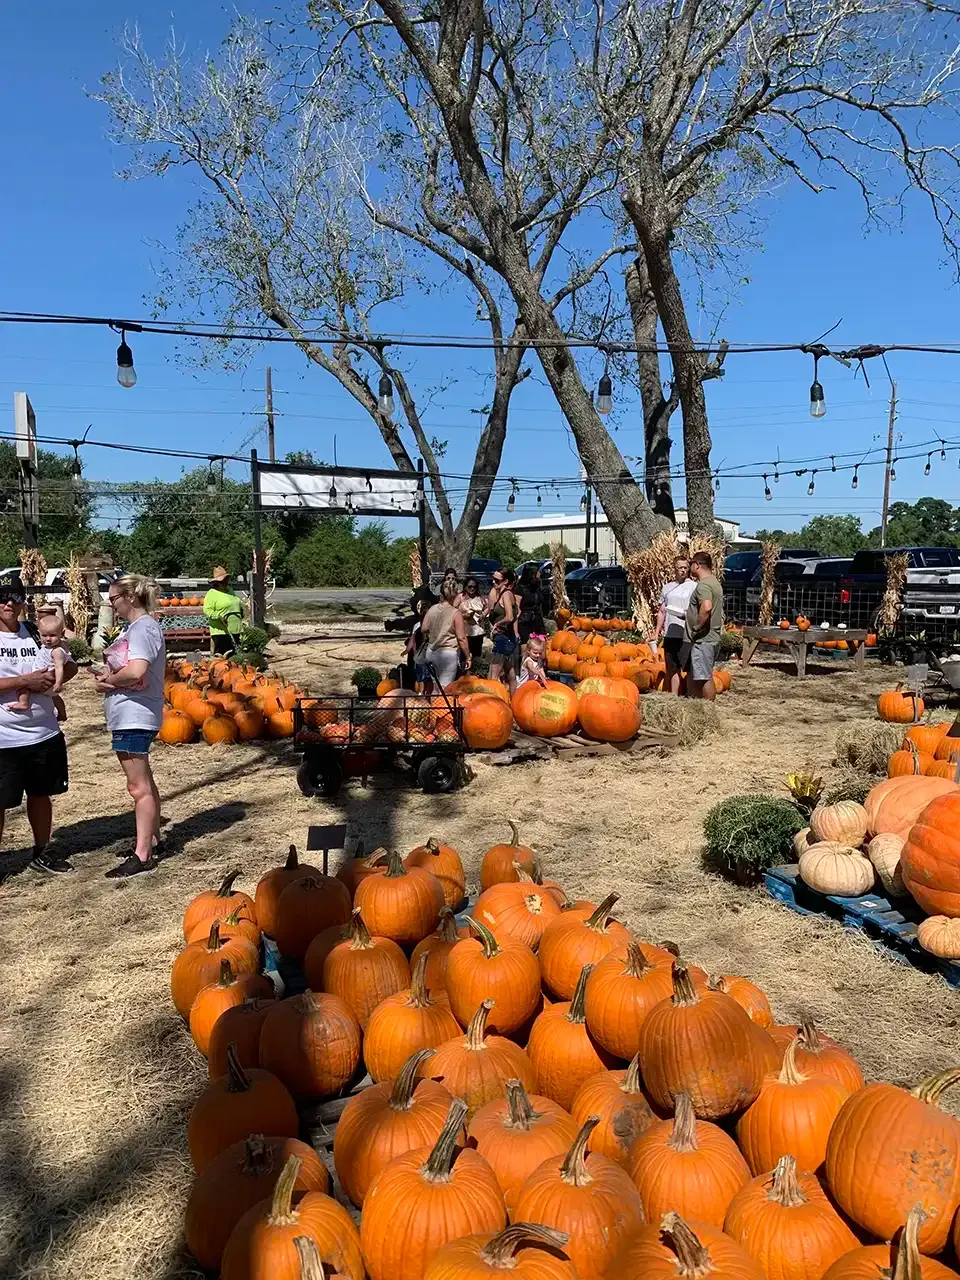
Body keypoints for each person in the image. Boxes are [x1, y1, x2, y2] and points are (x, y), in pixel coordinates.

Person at [93, 575, 168, 878]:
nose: (110, 605)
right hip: (132, 715)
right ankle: (151, 840)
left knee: (138, 788)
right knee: (145, 782)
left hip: (135, 716)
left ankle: (143, 855)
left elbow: (137, 670)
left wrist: (107, 682)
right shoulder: (141, 627)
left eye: (112, 599)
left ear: (130, 597)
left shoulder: (142, 628)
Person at [0, 582, 78, 874]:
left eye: (15, 599)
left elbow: (69, 667)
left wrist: (52, 682)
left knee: (40, 793)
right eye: (2, 599)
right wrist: (23, 682)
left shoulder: (37, 633)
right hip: (3, 737)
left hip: (43, 732)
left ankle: (41, 852)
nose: (9, 604)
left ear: (23, 602)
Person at [7, 609, 69, 723]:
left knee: (23, 686)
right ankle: (62, 714)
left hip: (46, 681)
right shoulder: (47, 647)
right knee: (54, 697)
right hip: (47, 683)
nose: (48, 639)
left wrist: (58, 683)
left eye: (52, 635)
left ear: (62, 634)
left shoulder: (57, 651)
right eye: (44, 635)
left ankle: (23, 703)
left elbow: (60, 667)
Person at [652, 555, 697, 695]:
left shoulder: (694, 587)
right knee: (672, 668)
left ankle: (691, 696)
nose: (683, 570)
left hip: (686, 632)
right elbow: (661, 611)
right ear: (674, 569)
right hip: (671, 633)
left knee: (689, 668)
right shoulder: (667, 588)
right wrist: (657, 631)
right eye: (680, 568)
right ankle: (674, 697)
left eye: (685, 567)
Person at [685, 552, 724, 701]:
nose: (689, 568)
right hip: (712, 637)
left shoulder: (704, 585)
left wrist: (696, 627)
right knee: (700, 674)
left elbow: (706, 607)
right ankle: (698, 706)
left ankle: (708, 711)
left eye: (690, 564)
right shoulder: (715, 582)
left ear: (697, 565)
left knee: (704, 677)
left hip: (704, 639)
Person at [421, 580, 470, 689]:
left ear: (441, 594)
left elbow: (424, 628)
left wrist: (434, 632)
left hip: (432, 651)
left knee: (435, 687)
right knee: (446, 689)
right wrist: (468, 657)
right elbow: (462, 638)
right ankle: (442, 706)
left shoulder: (432, 609)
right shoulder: (455, 613)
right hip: (448, 654)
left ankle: (433, 705)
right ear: (456, 595)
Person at [486, 568, 518, 692]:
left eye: (497, 580)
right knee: (510, 674)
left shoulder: (505, 594)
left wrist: (497, 624)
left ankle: (493, 703)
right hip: (508, 638)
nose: (493, 582)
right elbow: (517, 612)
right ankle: (514, 701)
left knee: (493, 676)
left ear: (505, 581)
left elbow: (510, 617)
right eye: (493, 578)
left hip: (503, 639)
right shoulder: (508, 594)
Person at [203, 566, 244, 656]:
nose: (226, 582)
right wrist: (218, 616)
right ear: (216, 582)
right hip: (221, 631)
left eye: (226, 580)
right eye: (223, 581)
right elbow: (207, 610)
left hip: (235, 628)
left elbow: (235, 602)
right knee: (223, 659)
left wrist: (240, 610)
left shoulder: (229, 589)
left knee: (235, 657)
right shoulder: (212, 593)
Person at [515, 564, 545, 648]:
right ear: (532, 573)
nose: (540, 573)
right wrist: (516, 631)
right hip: (525, 623)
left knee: (541, 650)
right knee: (526, 650)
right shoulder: (519, 589)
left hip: (537, 621)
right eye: (538, 571)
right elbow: (516, 610)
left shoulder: (536, 587)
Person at [455, 576, 486, 662]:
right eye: (470, 586)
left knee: (477, 656)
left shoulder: (480, 598)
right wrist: (464, 616)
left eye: (474, 587)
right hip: (464, 631)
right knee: (464, 656)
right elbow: (453, 612)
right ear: (465, 587)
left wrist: (483, 614)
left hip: (478, 631)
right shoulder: (460, 597)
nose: (472, 589)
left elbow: (487, 608)